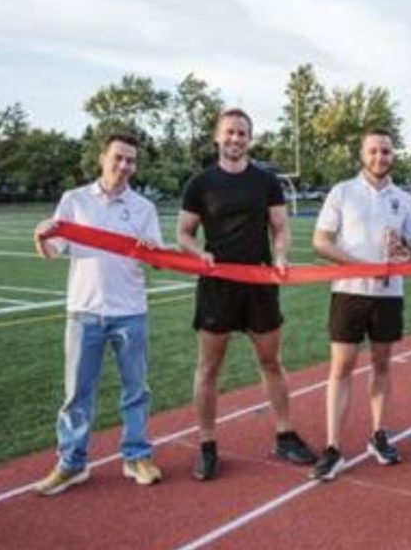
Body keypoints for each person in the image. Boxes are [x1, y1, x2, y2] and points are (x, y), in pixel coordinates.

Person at [177, 108, 315, 481]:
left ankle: (285, 434)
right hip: (217, 286)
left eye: (242, 133)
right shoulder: (200, 183)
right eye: (230, 132)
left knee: (271, 362)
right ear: (217, 136)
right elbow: (184, 233)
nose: (236, 139)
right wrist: (198, 252)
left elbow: (280, 228)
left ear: (249, 139)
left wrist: (282, 255)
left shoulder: (266, 181)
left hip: (259, 284)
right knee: (209, 368)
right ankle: (207, 445)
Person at [32, 134, 163, 495]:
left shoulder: (144, 208)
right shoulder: (73, 201)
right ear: (102, 158)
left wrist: (153, 253)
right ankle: (72, 464)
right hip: (84, 311)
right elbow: (52, 250)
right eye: (118, 158)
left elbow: (157, 260)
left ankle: (136, 455)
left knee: (136, 390)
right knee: (77, 394)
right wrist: (40, 236)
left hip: (131, 311)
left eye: (131, 161)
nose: (124, 166)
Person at [309, 128, 411, 481]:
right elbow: (320, 241)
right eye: (373, 151)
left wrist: (403, 250)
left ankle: (378, 434)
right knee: (341, 367)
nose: (379, 158)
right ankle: (332, 447)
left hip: (388, 295)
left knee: (382, 364)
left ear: (393, 155)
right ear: (362, 154)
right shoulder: (343, 192)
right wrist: (357, 266)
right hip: (349, 292)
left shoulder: (404, 199)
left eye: (386, 151)